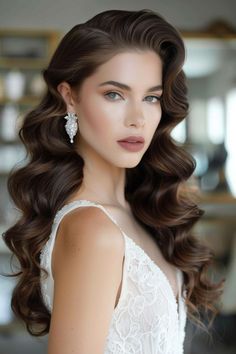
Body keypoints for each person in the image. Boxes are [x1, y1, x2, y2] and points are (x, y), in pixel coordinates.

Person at [3, 8, 224, 354]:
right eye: (114, 94)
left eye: (151, 97)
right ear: (70, 97)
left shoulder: (135, 211)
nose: (137, 118)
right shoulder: (93, 229)